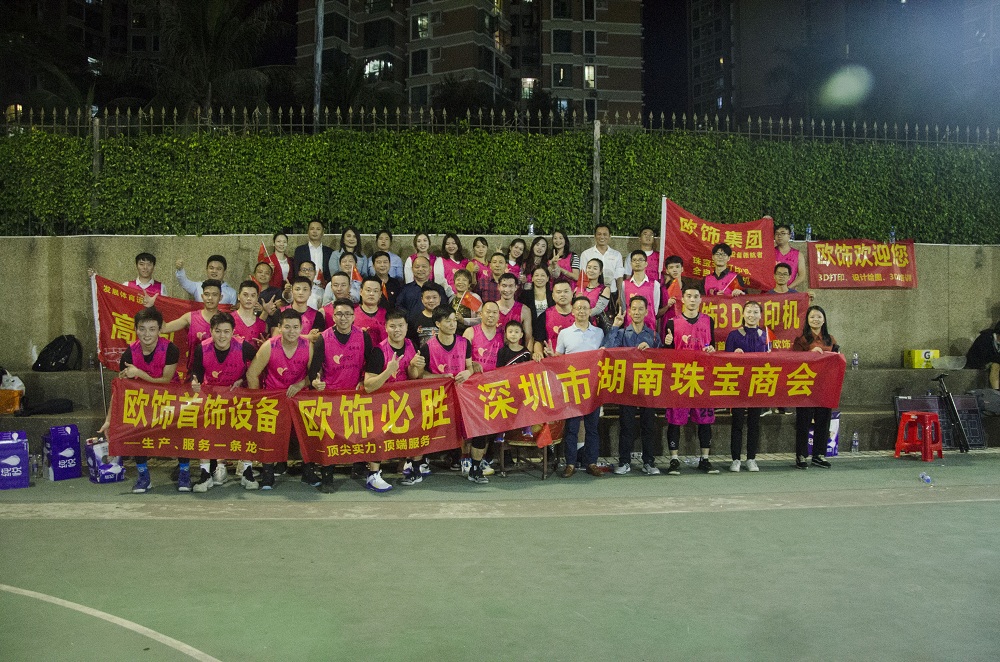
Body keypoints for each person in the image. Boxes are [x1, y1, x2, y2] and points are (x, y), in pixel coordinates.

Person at [97, 307, 181, 494]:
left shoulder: (171, 349)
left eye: (152, 329)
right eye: (142, 329)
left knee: (183, 428)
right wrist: (109, 420)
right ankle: (143, 476)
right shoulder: (129, 354)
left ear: (160, 330)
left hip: (169, 399)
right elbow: (119, 391)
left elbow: (165, 380)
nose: (147, 334)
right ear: (135, 329)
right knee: (134, 427)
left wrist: (139, 373)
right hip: (144, 402)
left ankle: (184, 472)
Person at [311, 298, 383, 492]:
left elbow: (371, 362)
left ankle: (358, 467)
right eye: (339, 314)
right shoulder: (323, 338)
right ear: (333, 316)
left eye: (348, 314)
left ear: (353, 316)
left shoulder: (363, 336)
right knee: (330, 438)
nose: (343, 318)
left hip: (355, 394)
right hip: (331, 396)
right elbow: (314, 369)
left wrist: (364, 380)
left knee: (359, 432)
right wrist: (315, 382)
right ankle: (327, 477)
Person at [245, 308, 315, 490]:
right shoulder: (269, 346)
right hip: (274, 399)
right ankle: (268, 473)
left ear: (301, 328)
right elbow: (252, 373)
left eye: (296, 327)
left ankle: (308, 471)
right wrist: (258, 398)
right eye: (287, 327)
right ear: (279, 328)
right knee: (270, 436)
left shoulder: (308, 346)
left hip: (299, 398)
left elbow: (315, 374)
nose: (291, 331)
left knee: (305, 434)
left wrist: (300, 384)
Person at [188, 312, 258, 491]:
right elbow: (195, 373)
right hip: (212, 400)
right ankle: (205, 475)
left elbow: (258, 366)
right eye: (218, 331)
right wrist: (194, 383)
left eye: (226, 332)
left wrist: (243, 378)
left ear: (233, 332)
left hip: (237, 400)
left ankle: (247, 472)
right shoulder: (202, 348)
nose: (222, 336)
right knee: (204, 428)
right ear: (211, 331)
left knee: (248, 427)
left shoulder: (244, 347)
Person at [364, 309, 428, 487]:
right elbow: (368, 386)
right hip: (382, 405)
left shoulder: (411, 345)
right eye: (392, 326)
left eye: (400, 325)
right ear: (386, 327)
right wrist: (388, 371)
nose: (397, 330)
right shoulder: (378, 351)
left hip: (406, 403)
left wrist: (415, 367)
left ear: (407, 327)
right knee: (377, 432)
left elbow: (415, 377)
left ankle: (414, 467)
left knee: (420, 424)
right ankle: (373, 474)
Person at [419, 307, 483, 482]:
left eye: (454, 320)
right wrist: (440, 378)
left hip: (462, 395)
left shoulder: (464, 343)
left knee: (476, 424)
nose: (452, 324)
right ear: (438, 324)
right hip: (438, 399)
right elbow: (421, 375)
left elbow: (469, 366)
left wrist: (468, 373)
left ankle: (471, 464)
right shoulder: (427, 347)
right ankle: (421, 462)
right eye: (448, 321)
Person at [662, 284, 719, 475]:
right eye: (689, 296)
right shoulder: (672, 322)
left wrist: (711, 349)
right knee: (675, 419)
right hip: (680, 378)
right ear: (683, 299)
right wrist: (667, 344)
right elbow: (667, 354)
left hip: (702, 378)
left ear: (701, 300)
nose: (692, 300)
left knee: (705, 419)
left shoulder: (709, 321)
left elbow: (713, 347)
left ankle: (705, 459)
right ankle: (674, 459)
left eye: (696, 296)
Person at [603, 296, 662, 475]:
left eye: (640, 309)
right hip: (627, 386)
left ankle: (649, 462)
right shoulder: (622, 333)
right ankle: (624, 462)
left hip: (647, 386)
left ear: (646, 312)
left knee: (648, 426)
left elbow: (662, 360)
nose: (636, 312)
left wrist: (651, 350)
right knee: (626, 426)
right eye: (633, 309)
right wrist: (615, 326)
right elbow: (608, 349)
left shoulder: (653, 335)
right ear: (629, 311)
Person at [556, 296, 605, 478]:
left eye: (585, 308)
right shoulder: (565, 333)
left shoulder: (599, 333)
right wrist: (551, 355)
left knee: (592, 427)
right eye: (578, 308)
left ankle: (591, 462)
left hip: (593, 387)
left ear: (590, 311)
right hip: (572, 387)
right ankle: (570, 463)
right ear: (573, 311)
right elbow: (558, 359)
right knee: (572, 428)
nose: (582, 311)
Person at [725, 301, 770, 472]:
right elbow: (724, 361)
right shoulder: (734, 335)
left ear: (760, 315)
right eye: (749, 312)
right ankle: (735, 459)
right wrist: (734, 355)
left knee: (754, 423)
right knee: (737, 422)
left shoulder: (765, 336)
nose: (752, 315)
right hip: (738, 385)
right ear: (743, 314)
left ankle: (751, 458)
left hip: (757, 384)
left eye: (755, 312)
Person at [792, 305, 838, 469]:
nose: (815, 320)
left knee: (823, 421)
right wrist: (810, 355)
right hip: (805, 385)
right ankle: (801, 455)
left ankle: (819, 455)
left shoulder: (830, 340)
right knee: (803, 421)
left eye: (819, 317)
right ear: (807, 320)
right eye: (812, 317)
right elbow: (794, 361)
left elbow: (837, 360)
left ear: (824, 320)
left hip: (825, 385)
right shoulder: (801, 340)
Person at [461, 301, 503, 476]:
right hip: (471, 387)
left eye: (494, 312)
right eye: (488, 312)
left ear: (499, 316)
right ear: (481, 314)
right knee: (469, 425)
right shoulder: (470, 332)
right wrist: (472, 364)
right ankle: (465, 459)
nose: (491, 315)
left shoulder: (503, 335)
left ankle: (481, 459)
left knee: (488, 426)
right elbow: (460, 355)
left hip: (493, 387)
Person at [160, 279, 223, 370]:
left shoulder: (226, 320)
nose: (210, 298)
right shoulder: (190, 317)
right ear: (202, 296)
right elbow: (164, 328)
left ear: (220, 297)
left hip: (219, 373)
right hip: (194, 372)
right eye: (207, 294)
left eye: (214, 294)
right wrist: (151, 307)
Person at [578, 224, 625, 305]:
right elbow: (583, 276)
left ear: (609, 236)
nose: (602, 237)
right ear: (595, 236)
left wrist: (620, 296)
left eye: (605, 234)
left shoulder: (616, 255)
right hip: (592, 294)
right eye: (599, 234)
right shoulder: (586, 254)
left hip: (612, 293)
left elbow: (619, 277)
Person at [532, 280, 574, 360]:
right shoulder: (544, 316)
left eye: (566, 291)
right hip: (552, 361)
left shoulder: (581, 314)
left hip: (577, 361)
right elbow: (538, 341)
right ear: (553, 296)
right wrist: (538, 353)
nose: (562, 295)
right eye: (558, 292)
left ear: (572, 294)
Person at [622, 250, 661, 332]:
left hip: (649, 327)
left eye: (640, 260)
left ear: (646, 263)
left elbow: (655, 309)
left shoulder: (654, 284)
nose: (637, 262)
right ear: (631, 264)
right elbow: (624, 307)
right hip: (629, 328)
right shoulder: (624, 284)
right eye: (634, 260)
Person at [293, 218, 334, 286]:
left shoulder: (329, 251)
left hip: (325, 287)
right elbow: (297, 270)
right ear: (308, 232)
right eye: (312, 229)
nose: (315, 231)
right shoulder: (300, 250)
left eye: (318, 229)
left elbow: (331, 271)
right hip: (305, 286)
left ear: (323, 232)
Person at [497, 273, 533, 348]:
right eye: (504, 286)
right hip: (493, 352)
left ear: (516, 287)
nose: (507, 290)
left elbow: (529, 338)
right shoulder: (491, 308)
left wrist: (526, 353)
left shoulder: (524, 310)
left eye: (511, 286)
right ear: (498, 287)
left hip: (516, 353)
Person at [232, 280, 269, 349]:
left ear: (257, 298)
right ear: (238, 296)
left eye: (253, 295)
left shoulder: (262, 325)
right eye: (245, 295)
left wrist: (264, 347)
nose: (249, 298)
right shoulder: (228, 319)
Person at [966, 321, 1000, 389]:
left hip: (991, 362)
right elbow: (984, 356)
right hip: (978, 364)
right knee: (996, 366)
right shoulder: (986, 338)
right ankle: (996, 391)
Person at [774, 222, 807, 291]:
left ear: (789, 235)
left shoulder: (798, 255)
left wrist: (788, 289)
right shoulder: (769, 253)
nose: (779, 236)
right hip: (771, 292)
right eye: (777, 234)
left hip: (789, 293)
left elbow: (802, 275)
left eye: (783, 233)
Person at [355, 277, 388, 344]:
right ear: (361, 292)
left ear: (380, 294)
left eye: (375, 291)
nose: (371, 294)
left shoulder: (387, 315)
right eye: (368, 290)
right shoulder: (352, 314)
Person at [579, 258, 612, 323]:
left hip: (595, 324)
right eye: (589, 267)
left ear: (600, 272)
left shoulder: (605, 289)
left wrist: (581, 315)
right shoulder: (579, 288)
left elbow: (598, 309)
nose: (591, 270)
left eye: (595, 268)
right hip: (578, 322)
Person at [450, 269, 482, 336]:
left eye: (464, 280)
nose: (460, 282)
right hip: (453, 335)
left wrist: (463, 320)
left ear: (469, 284)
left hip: (470, 335)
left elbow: (480, 319)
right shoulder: (451, 298)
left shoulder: (472, 298)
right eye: (458, 279)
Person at [521, 265, 553, 331]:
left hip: (550, 330)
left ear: (547, 278)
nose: (539, 278)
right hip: (530, 331)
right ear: (532, 278)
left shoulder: (553, 295)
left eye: (542, 275)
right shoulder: (525, 295)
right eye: (536, 275)